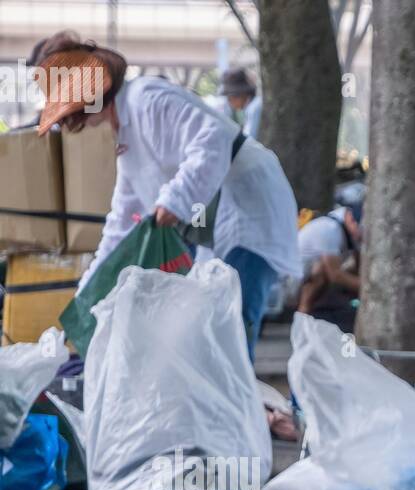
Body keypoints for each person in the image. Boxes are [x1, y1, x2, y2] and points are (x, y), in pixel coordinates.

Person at [33, 33, 298, 362]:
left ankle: (235, 410)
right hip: (220, 224)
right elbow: (120, 225)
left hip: (250, 209)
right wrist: (86, 296)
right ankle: (223, 408)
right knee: (212, 330)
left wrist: (174, 200)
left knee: (230, 327)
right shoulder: (127, 141)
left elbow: (210, 140)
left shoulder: (146, 99)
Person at [296, 198, 363, 332]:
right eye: (359, 226)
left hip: (310, 279)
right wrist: (367, 289)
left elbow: (358, 265)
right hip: (295, 282)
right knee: (321, 270)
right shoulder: (329, 228)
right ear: (349, 218)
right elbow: (335, 275)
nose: (361, 233)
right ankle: (302, 321)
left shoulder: (347, 232)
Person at [219, 66, 262, 140]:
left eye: (230, 98)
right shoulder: (252, 107)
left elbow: (249, 139)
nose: (230, 102)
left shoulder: (254, 108)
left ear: (241, 94)